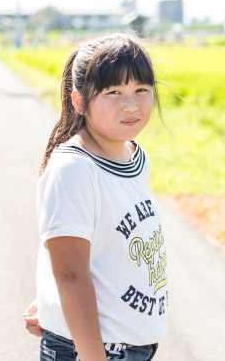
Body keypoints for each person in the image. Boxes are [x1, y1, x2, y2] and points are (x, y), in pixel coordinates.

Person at [22, 33, 169, 361]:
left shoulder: (134, 157)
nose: (130, 105)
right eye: (113, 92)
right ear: (79, 102)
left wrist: (53, 302)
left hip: (134, 346)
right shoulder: (74, 170)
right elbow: (70, 275)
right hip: (98, 351)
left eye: (141, 90)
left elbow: (103, 250)